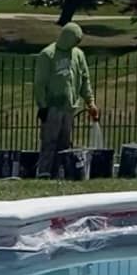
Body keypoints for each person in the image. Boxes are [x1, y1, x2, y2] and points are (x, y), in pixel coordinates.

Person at [33, 22, 99, 177]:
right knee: (49, 142)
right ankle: (44, 172)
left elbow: (84, 79)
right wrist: (42, 105)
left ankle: (59, 172)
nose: (77, 43)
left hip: (69, 106)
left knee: (64, 142)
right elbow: (40, 83)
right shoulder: (47, 54)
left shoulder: (78, 55)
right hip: (52, 106)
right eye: (76, 39)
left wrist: (90, 101)